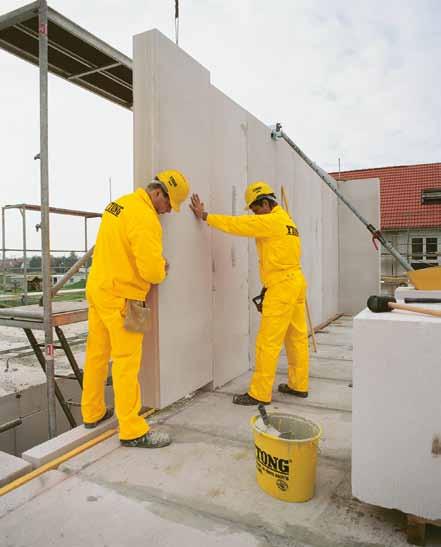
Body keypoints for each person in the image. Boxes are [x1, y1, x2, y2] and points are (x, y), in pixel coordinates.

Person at [81, 170, 189, 447]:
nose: (167, 212)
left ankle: (92, 413)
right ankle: (132, 429)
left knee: (96, 355)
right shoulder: (146, 218)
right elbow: (152, 271)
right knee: (127, 363)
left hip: (99, 290)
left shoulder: (118, 204)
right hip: (124, 298)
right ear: (158, 194)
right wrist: (162, 268)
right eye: (168, 205)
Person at [189, 181, 309, 406]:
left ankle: (260, 393)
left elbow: (237, 224)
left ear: (265, 203)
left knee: (268, 342)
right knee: (297, 338)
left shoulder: (270, 221)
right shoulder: (288, 221)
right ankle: (299, 384)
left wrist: (205, 216)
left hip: (282, 285)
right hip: (295, 282)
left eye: (255, 209)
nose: (254, 214)